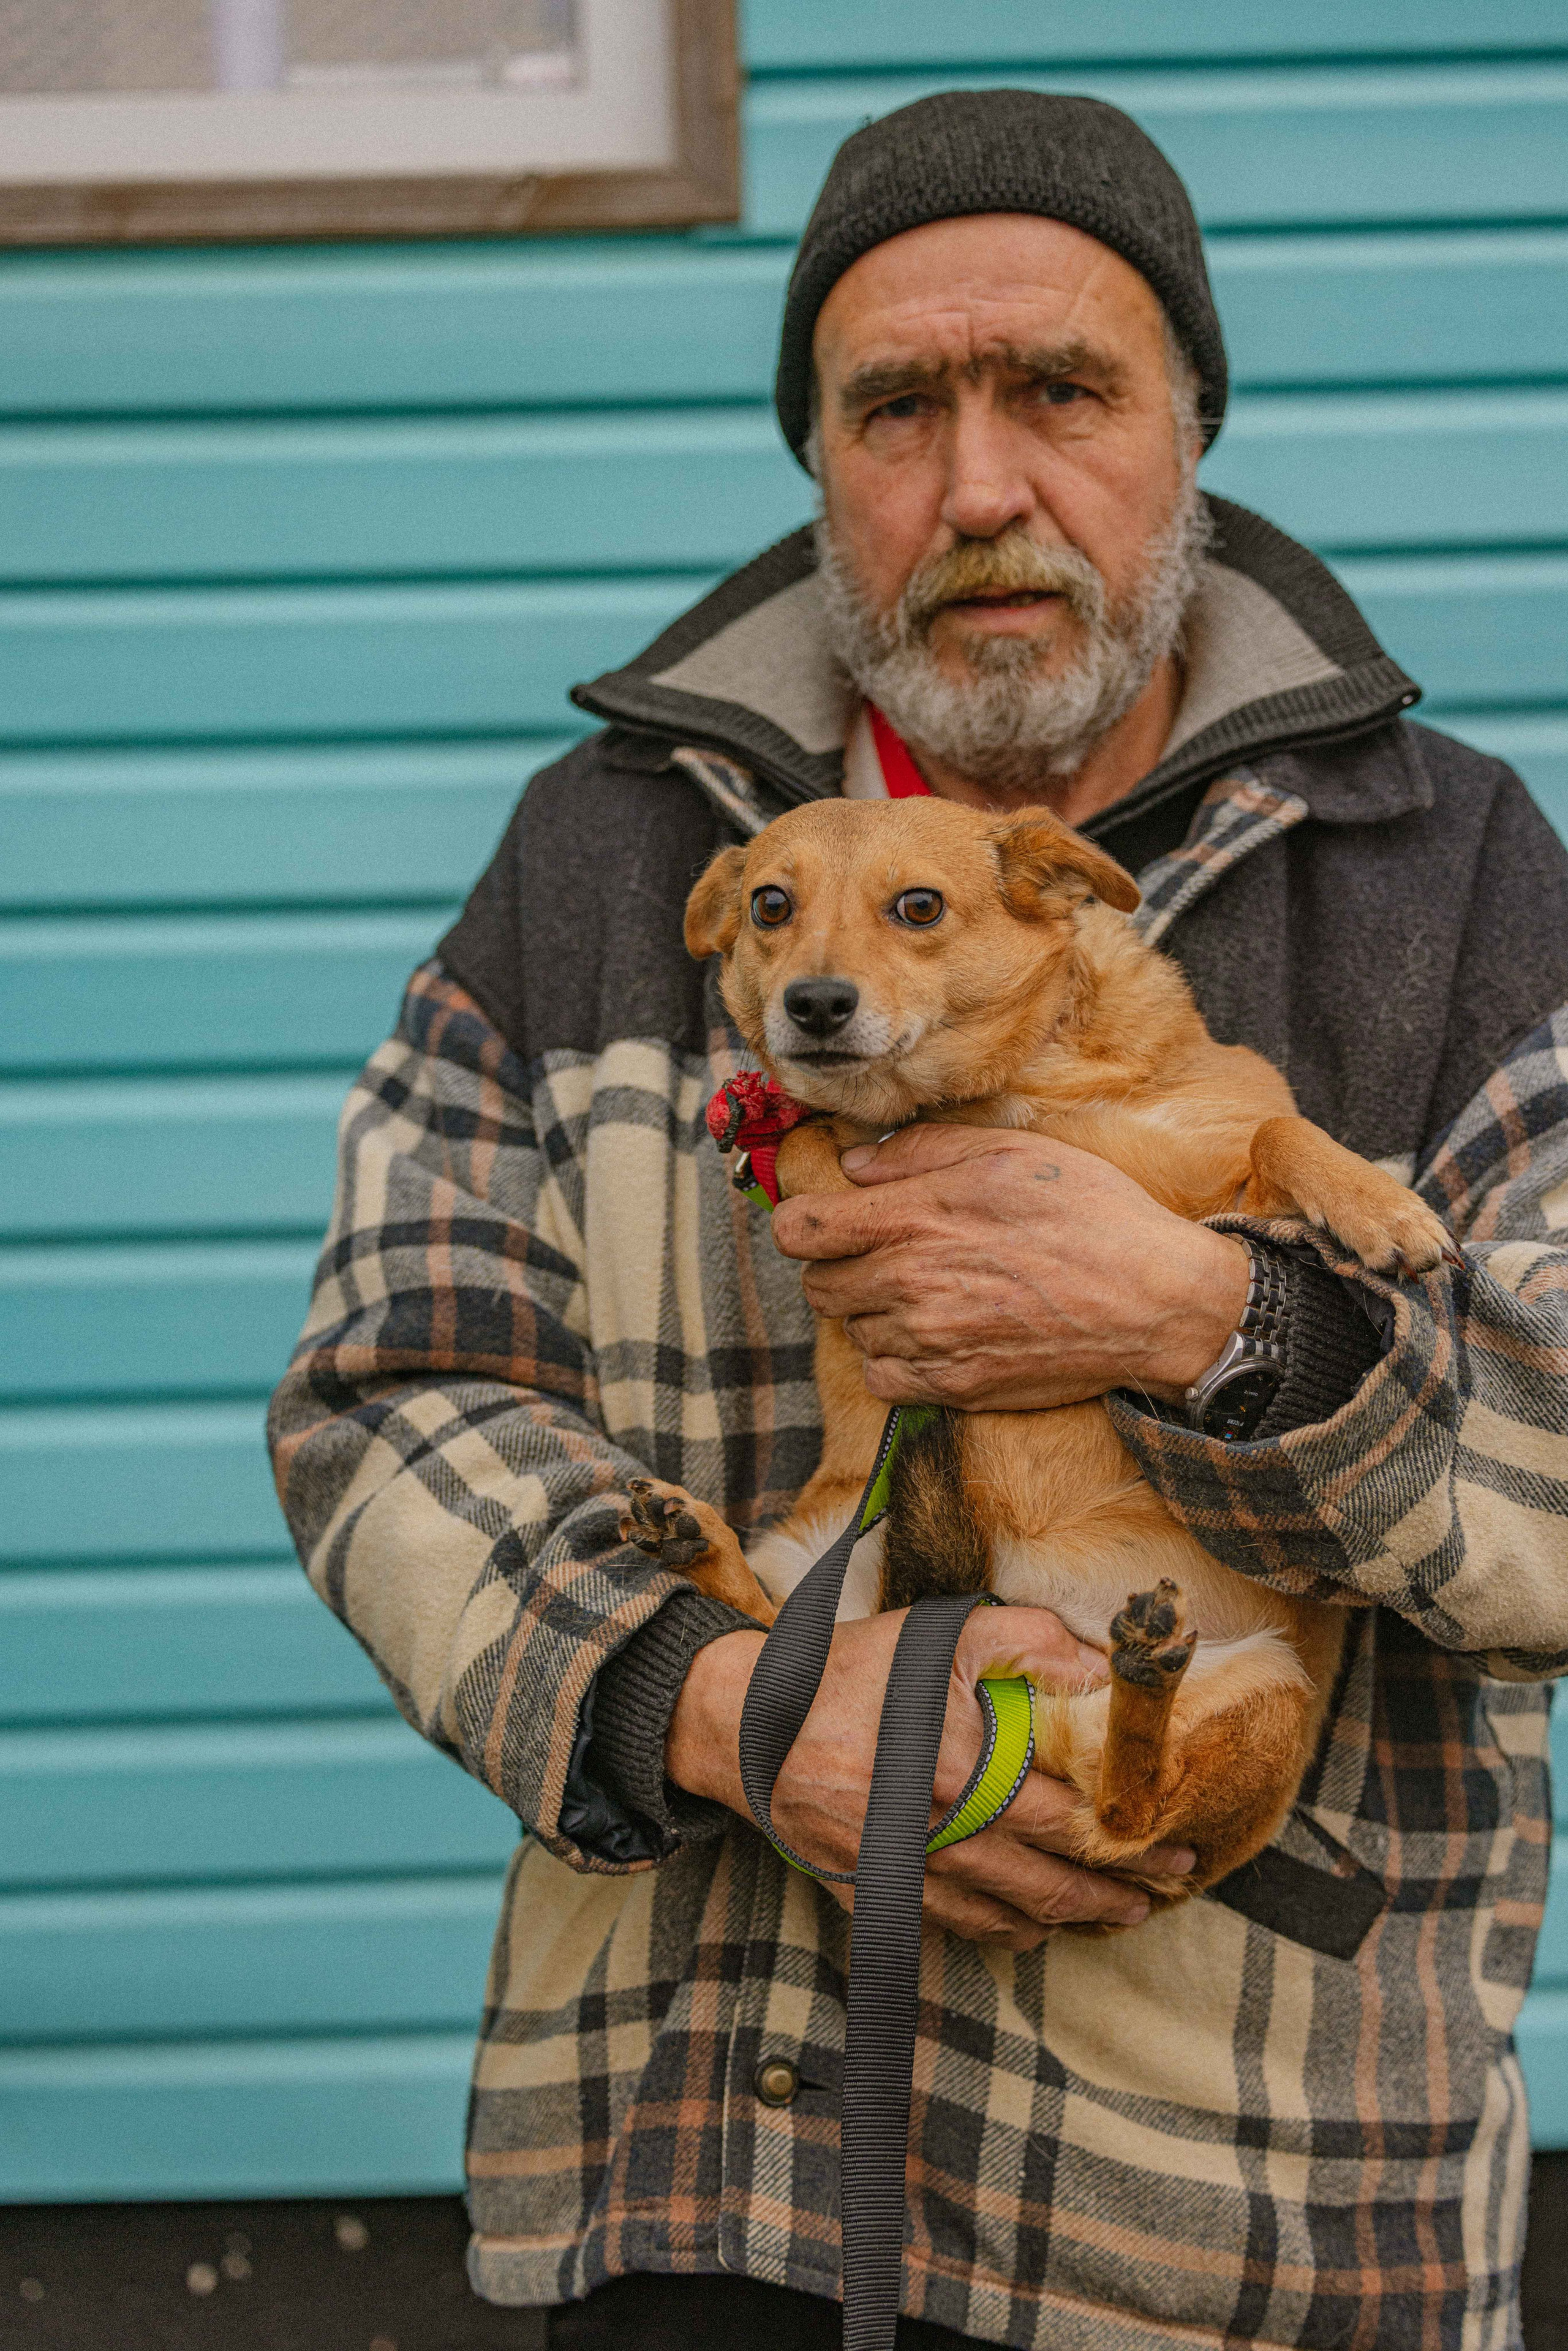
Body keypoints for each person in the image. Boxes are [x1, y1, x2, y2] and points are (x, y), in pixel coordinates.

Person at [268, 91, 1568, 2351]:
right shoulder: (605, 859)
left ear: (1191, 433)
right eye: (898, 410)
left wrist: (1206, 1317)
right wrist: (715, 1697)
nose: (981, 488)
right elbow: (394, 1393)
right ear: (818, 470)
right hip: (697, 2162)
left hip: (1237, 2212)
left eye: (1061, 390)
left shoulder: (1444, 883)